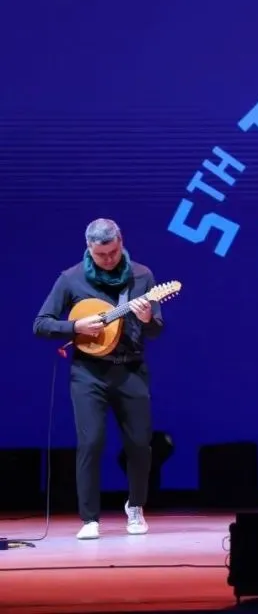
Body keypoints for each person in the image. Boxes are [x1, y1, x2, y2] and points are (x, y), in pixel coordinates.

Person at [32, 219, 164, 540]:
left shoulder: (142, 276)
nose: (108, 259)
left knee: (139, 444)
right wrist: (75, 327)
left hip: (130, 369)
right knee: (90, 442)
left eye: (113, 252)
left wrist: (147, 318)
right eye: (101, 254)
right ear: (89, 248)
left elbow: (155, 329)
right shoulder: (71, 278)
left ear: (121, 242)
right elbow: (41, 324)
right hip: (88, 372)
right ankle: (89, 518)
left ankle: (136, 506)